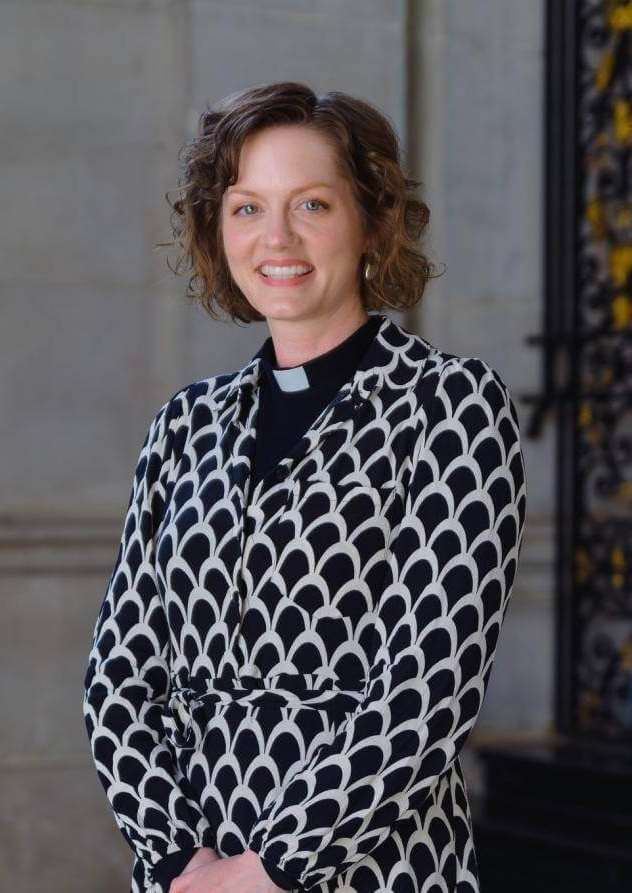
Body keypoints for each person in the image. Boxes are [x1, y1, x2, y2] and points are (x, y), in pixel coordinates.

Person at [83, 81, 527, 893]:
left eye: (311, 204)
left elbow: (427, 688)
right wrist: (183, 862)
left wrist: (266, 870)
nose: (275, 237)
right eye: (246, 207)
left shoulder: (451, 406)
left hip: (371, 869)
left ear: (374, 221)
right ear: (217, 230)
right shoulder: (183, 425)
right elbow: (118, 677)